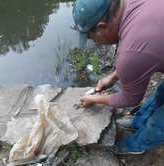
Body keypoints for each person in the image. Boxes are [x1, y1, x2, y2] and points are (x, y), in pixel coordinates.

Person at [72, 0, 164, 154]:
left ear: (102, 27)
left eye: (90, 36)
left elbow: (131, 100)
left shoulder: (131, 52)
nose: (93, 41)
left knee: (160, 122)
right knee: (160, 95)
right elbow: (142, 52)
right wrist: (113, 77)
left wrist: (95, 99)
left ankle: (136, 146)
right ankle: (138, 123)